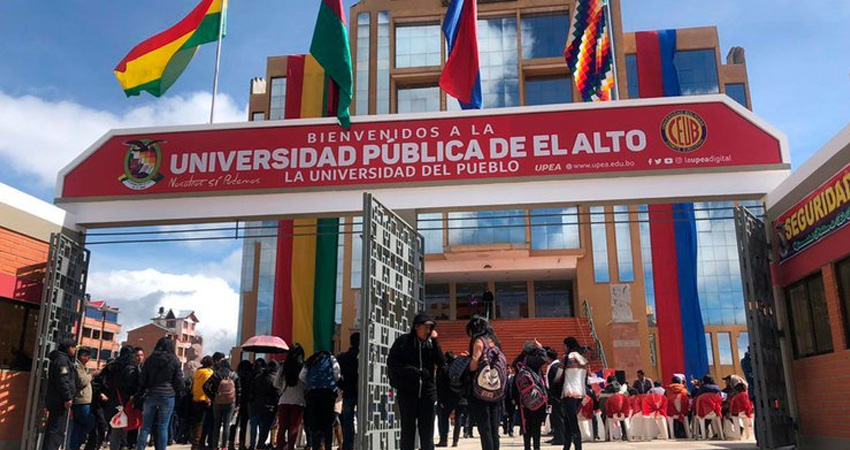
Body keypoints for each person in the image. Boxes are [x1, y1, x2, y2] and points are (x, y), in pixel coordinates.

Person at [387, 313, 445, 450]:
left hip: (427, 394)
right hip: (407, 393)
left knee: (427, 432)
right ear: (416, 327)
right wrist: (412, 371)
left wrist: (435, 342)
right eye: (425, 327)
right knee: (408, 431)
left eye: (430, 328)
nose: (428, 331)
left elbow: (441, 362)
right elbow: (392, 363)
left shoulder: (430, 345)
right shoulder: (403, 342)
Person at [136, 337, 183, 450]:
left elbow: (143, 379)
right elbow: (178, 381)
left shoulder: (150, 359)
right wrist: (178, 393)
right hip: (167, 395)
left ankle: (140, 448)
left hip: (151, 394)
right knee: (163, 426)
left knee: (145, 427)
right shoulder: (174, 360)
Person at [466, 316, 505, 450]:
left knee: (484, 427)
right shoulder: (495, 342)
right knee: (494, 427)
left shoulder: (479, 341)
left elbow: (473, 365)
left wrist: (468, 361)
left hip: (480, 390)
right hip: (495, 389)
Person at [301, 351, 340, 450]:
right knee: (327, 425)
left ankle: (316, 446)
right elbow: (337, 374)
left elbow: (301, 376)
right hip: (327, 393)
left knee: (315, 425)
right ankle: (327, 446)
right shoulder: (331, 358)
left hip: (312, 394)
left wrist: (310, 383)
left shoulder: (310, 360)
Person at [103, 346, 141, 450]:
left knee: (115, 428)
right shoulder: (131, 368)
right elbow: (133, 386)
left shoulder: (112, 366)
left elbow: (105, 382)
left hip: (112, 401)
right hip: (126, 402)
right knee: (125, 428)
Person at [42, 338, 77, 450]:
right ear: (68, 348)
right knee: (56, 430)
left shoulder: (62, 359)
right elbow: (63, 380)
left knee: (55, 429)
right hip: (59, 401)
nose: (75, 350)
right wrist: (68, 397)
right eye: (74, 347)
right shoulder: (62, 361)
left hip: (57, 399)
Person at [513, 345, 548, 450]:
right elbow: (543, 358)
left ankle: (527, 446)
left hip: (523, 398)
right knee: (536, 424)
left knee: (526, 424)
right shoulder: (532, 360)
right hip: (537, 397)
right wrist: (541, 348)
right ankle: (536, 446)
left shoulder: (519, 361)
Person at [275, 344, 306, 450]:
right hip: (298, 401)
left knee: (282, 428)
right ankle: (290, 447)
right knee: (294, 427)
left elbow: (276, 383)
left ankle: (280, 447)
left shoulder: (283, 367)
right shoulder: (303, 367)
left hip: (284, 400)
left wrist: (282, 388)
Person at [205, 359, 240, 450]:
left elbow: (205, 386)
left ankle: (215, 446)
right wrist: (237, 404)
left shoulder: (216, 374)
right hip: (230, 403)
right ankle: (224, 446)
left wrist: (213, 396)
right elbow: (239, 390)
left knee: (216, 424)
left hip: (217, 402)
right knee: (226, 425)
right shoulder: (234, 375)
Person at [561, 337, 587, 450]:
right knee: (568, 421)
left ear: (568, 346)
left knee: (572, 422)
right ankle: (566, 446)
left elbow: (558, 376)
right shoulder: (583, 359)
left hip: (569, 392)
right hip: (580, 393)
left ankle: (578, 446)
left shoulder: (567, 358)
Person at [336, 333, 359, 450]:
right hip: (363, 392)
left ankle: (348, 445)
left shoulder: (343, 357)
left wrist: (343, 386)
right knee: (365, 419)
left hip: (348, 391)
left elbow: (336, 375)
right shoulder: (364, 357)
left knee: (347, 420)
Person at [250, 359, 280, 449]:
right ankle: (261, 444)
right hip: (269, 407)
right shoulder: (274, 379)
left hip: (257, 405)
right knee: (266, 428)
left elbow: (252, 391)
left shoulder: (258, 377)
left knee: (260, 426)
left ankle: (258, 444)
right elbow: (276, 395)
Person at [69, 348, 95, 450]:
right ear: (83, 356)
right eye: (88, 357)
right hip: (81, 401)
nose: (88, 360)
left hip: (81, 402)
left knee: (78, 426)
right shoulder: (77, 367)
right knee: (89, 423)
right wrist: (92, 374)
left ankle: (75, 446)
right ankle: (79, 443)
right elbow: (82, 381)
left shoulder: (81, 367)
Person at [436, 351, 459, 447]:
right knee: (458, 419)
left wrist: (440, 400)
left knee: (443, 419)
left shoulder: (443, 369)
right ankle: (455, 441)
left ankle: (443, 440)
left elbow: (440, 386)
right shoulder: (457, 369)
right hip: (458, 397)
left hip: (446, 398)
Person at [191, 356, 215, 450]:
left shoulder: (198, 372)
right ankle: (198, 443)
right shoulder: (209, 372)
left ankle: (195, 443)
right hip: (205, 400)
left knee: (197, 422)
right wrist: (209, 398)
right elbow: (208, 387)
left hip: (195, 398)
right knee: (204, 422)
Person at [230, 359, 254, 450]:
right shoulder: (250, 377)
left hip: (235, 403)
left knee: (233, 424)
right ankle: (241, 444)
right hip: (246, 403)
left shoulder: (236, 376)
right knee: (243, 424)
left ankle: (231, 443)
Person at [545, 348, 565, 446]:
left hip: (556, 396)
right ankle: (557, 436)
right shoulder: (555, 366)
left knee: (558, 417)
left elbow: (557, 382)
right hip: (554, 395)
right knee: (554, 417)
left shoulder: (555, 367)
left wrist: (552, 393)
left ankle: (560, 438)